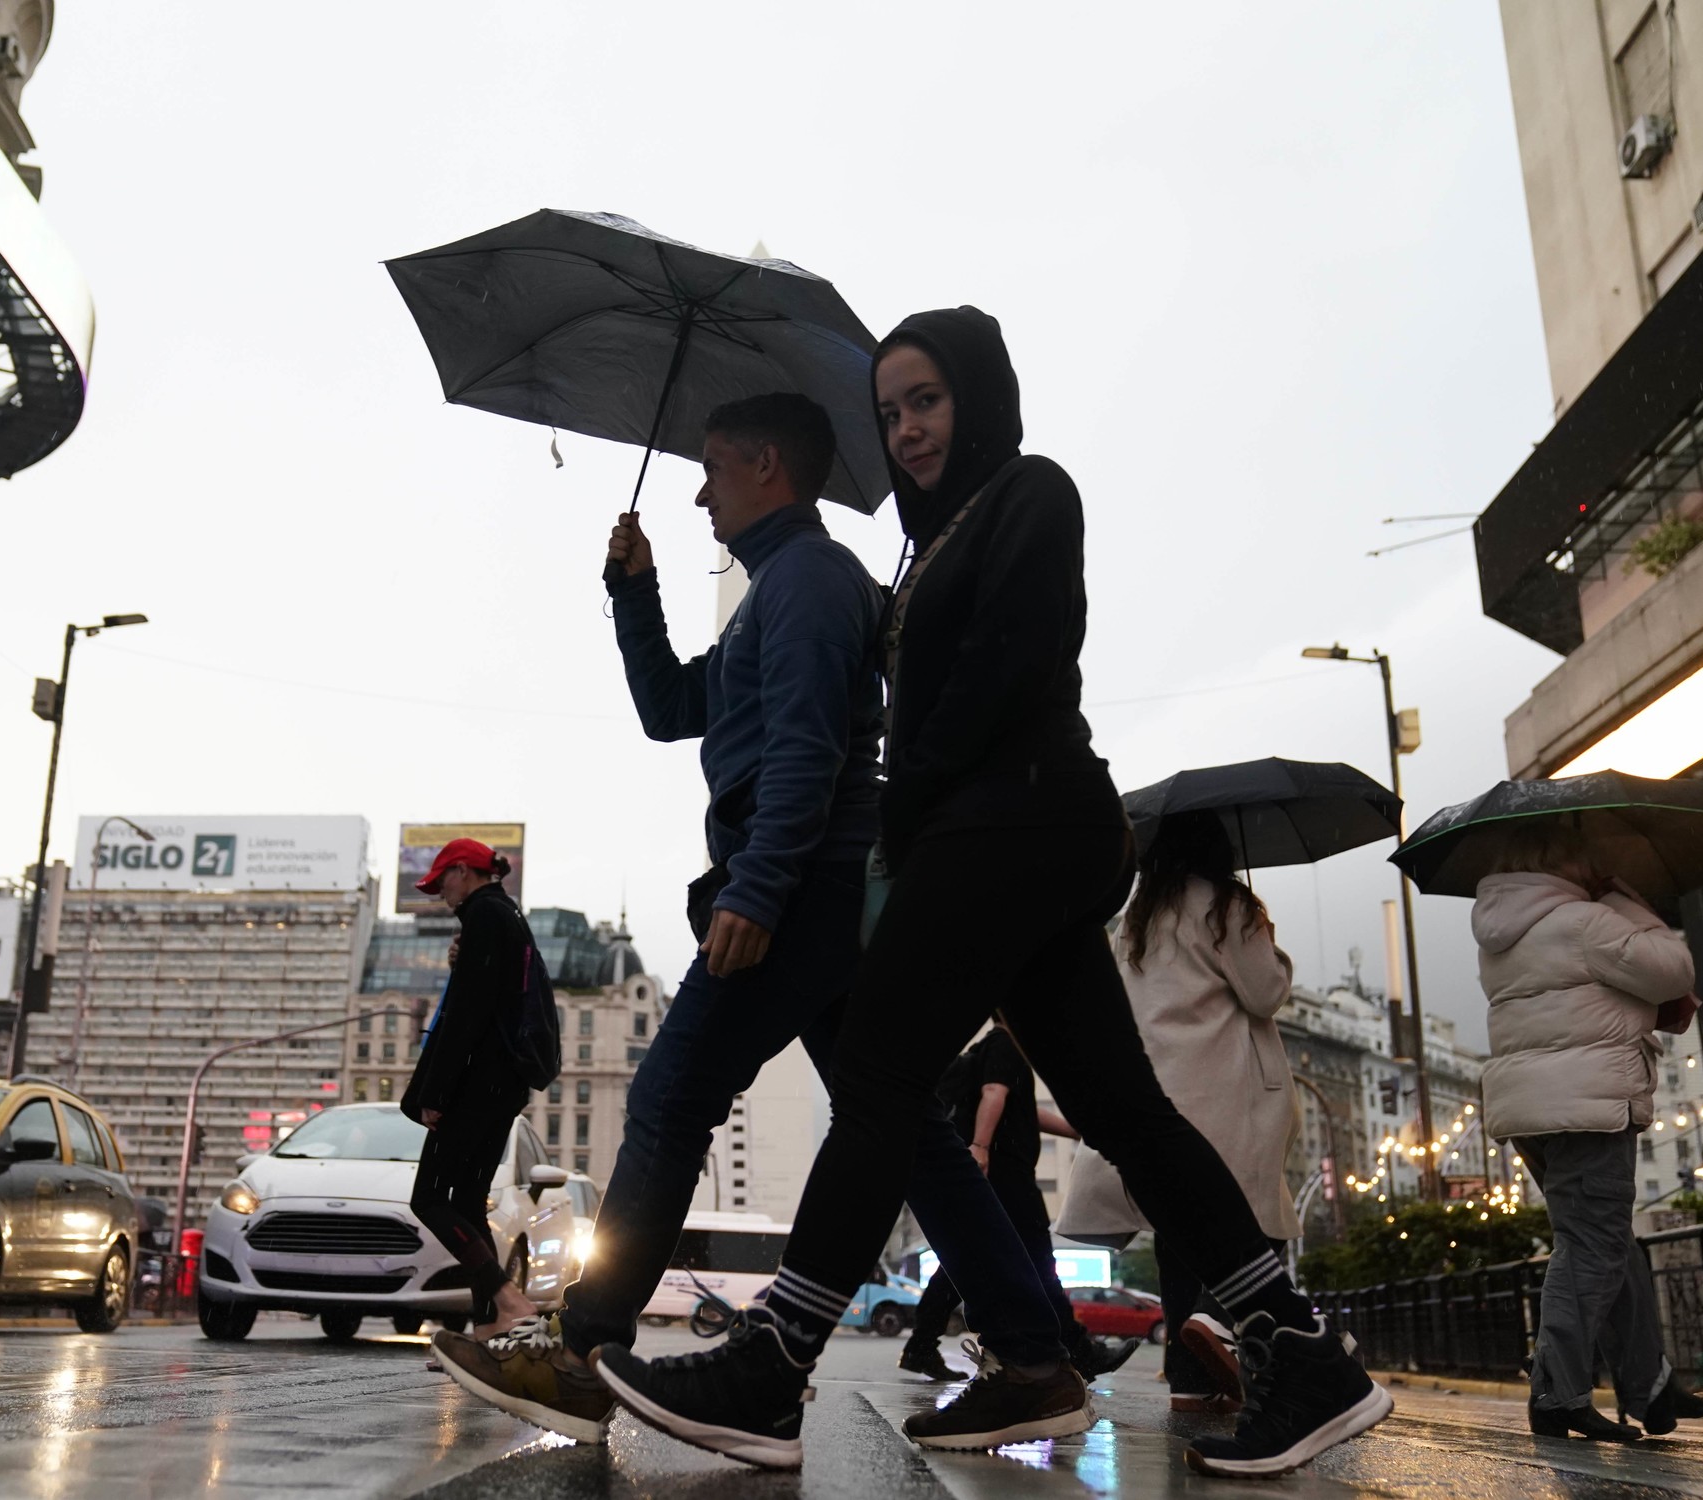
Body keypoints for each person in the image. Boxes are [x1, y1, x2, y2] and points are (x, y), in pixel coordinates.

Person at [591, 308, 1390, 1477]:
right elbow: (712, 701)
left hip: (1009, 826)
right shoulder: (923, 545)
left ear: (978, 395)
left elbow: (1007, 671)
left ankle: (774, 1364)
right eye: (889, 412)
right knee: (1123, 1113)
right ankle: (1297, 1349)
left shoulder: (1028, 494)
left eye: (926, 400)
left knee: (872, 1077)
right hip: (995, 835)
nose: (908, 429)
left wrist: (903, 817)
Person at [435, 391, 1107, 1451]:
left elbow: (806, 749)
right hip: (830, 892)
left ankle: (581, 1353)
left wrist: (755, 886)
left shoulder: (802, 580)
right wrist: (632, 590)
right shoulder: (780, 590)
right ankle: (1032, 1355)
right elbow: (670, 707)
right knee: (912, 1136)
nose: (697, 489)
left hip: (801, 888)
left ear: (763, 464)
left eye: (710, 467)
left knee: (668, 1096)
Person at [1471, 820, 1703, 1441]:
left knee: (1606, 1241)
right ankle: (1556, 1391)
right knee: (1594, 1246)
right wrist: (1628, 897)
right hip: (1589, 1101)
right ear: (1565, 862)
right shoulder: (1585, 923)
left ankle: (1650, 1387)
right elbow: (1674, 970)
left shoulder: (1501, 935)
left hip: (1532, 1108)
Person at [1058, 810, 1298, 1412]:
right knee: (1254, 1223)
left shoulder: (1138, 918)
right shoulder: (1228, 907)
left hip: (1159, 1090)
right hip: (1223, 1087)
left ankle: (1189, 1379)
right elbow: (1264, 992)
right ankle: (1217, 1322)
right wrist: (1271, 944)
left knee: (1178, 1228)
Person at [899, 1020, 1133, 1385]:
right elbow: (995, 1092)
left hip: (996, 1169)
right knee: (1038, 1259)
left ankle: (920, 1345)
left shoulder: (993, 1050)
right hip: (1007, 1172)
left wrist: (1076, 1131)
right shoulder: (1007, 1043)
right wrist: (980, 1146)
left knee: (965, 1258)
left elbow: (1021, 1110)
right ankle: (1080, 1353)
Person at [400, 837, 540, 1341]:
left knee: (431, 1198)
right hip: (504, 1083)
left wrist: (435, 1092)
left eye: (442, 882)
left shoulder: (484, 916)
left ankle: (508, 1299)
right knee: (467, 1198)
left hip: (478, 1082)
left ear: (464, 870)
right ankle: (489, 1328)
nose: (440, 893)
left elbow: (466, 1017)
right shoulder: (508, 916)